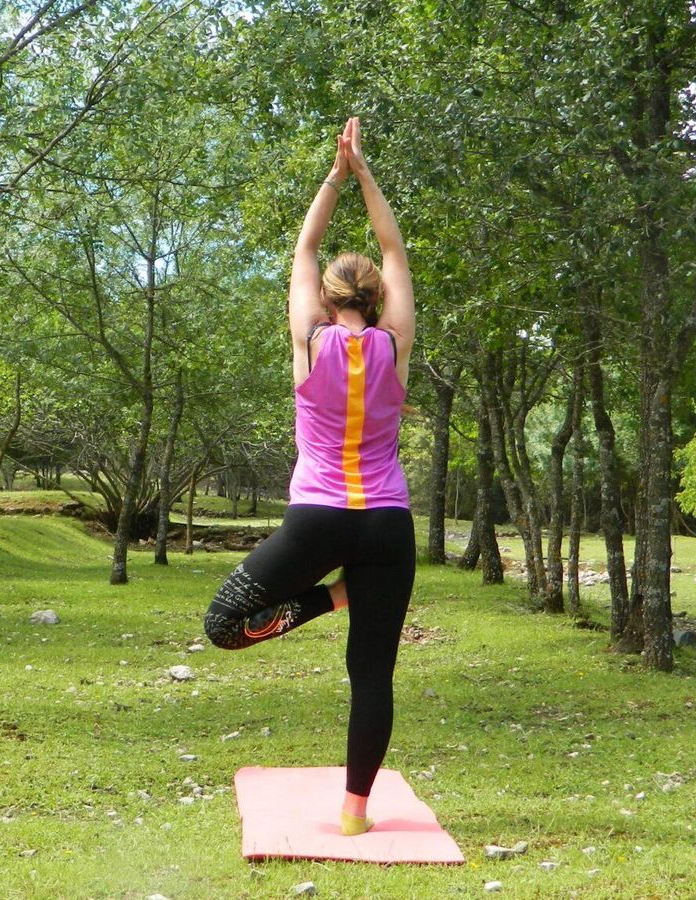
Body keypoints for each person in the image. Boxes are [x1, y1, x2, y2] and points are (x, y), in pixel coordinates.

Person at [203, 116, 415, 837]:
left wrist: (336, 173)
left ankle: (336, 597)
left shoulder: (309, 340)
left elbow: (304, 248)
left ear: (327, 301)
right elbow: (393, 248)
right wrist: (367, 175)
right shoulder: (395, 345)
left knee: (224, 626)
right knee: (372, 675)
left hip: (318, 520)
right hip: (387, 526)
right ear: (378, 300)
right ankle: (355, 815)